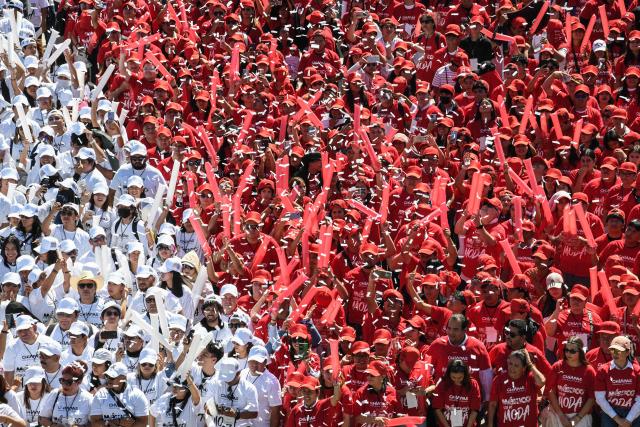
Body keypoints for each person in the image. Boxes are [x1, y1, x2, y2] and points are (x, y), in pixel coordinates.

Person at [545, 336, 596, 427]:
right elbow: (551, 391)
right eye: (566, 350)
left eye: (572, 351)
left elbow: (592, 398)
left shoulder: (589, 371)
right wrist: (561, 415)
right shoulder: (557, 366)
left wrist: (577, 418)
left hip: (581, 416)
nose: (568, 353)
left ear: (580, 352)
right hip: (559, 414)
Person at [487, 349, 546, 427]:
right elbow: (492, 404)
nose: (512, 368)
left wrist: (530, 364)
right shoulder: (499, 380)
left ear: (524, 368)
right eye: (510, 364)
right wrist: (490, 424)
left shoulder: (531, 378)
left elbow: (542, 381)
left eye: (516, 365)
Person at [595, 335, 640, 427]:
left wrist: (628, 420)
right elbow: (600, 398)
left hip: (633, 411)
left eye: (618, 350)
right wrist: (617, 419)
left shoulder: (637, 371)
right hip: (610, 412)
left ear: (627, 352)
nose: (614, 353)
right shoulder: (603, 370)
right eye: (612, 350)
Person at [204, 357, 258, 426]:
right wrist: (217, 410)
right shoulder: (214, 383)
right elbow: (207, 406)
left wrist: (237, 414)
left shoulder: (249, 388)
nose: (226, 381)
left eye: (229, 378)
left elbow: (254, 412)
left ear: (238, 373)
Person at [39, 363, 94, 427]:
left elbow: (94, 422)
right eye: (62, 380)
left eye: (69, 382)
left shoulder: (88, 398)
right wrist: (52, 425)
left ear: (79, 382)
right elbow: (41, 418)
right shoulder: (55, 394)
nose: (64, 385)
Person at [432, 359, 481, 427]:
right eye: (453, 377)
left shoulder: (472, 384)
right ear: (449, 374)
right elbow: (437, 409)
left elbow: (475, 410)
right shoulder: (443, 384)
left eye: (460, 377)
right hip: (446, 423)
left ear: (465, 374)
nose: (456, 380)